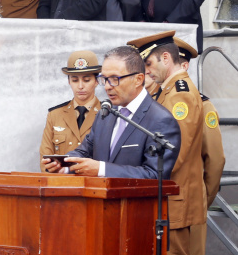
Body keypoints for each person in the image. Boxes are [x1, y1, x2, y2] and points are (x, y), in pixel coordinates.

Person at [126, 31, 205, 255]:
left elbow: (175, 150)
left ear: (166, 59)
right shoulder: (168, 93)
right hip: (168, 199)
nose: (147, 70)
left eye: (149, 62)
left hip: (176, 199)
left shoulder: (181, 95)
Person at [42, 45, 180, 181]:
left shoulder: (160, 120)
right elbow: (84, 151)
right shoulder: (107, 113)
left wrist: (101, 170)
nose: (107, 86)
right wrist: (64, 166)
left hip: (134, 203)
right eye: (105, 79)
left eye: (115, 79)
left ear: (138, 79)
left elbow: (155, 176)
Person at [172, 36, 225, 255]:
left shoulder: (201, 104)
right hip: (173, 204)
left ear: (185, 64)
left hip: (191, 201)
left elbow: (215, 160)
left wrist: (204, 198)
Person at [39, 50, 102, 169]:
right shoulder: (55, 115)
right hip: (61, 184)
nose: (80, 86)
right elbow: (45, 160)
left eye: (87, 80)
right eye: (75, 80)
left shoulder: (108, 114)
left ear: (96, 81)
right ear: (68, 82)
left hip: (95, 184)